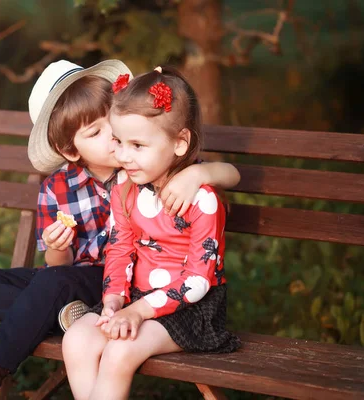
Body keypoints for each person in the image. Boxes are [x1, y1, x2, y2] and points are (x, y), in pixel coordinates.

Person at [0, 60, 240, 400]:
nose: (116, 145)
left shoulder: (160, 173)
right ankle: (53, 313)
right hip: (97, 285)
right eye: (101, 134)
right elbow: (76, 259)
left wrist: (198, 174)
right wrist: (61, 250)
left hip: (148, 294)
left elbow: (220, 181)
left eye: (114, 128)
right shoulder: (75, 186)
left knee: (61, 295)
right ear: (69, 150)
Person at [62, 65, 241, 400]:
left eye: (138, 145)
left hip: (191, 311)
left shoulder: (202, 200)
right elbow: (119, 248)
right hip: (136, 300)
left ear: (179, 143)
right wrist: (114, 299)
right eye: (118, 141)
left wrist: (137, 312)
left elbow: (197, 282)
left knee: (120, 352)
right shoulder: (125, 189)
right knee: (77, 339)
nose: (123, 155)